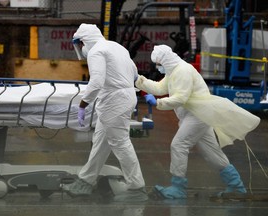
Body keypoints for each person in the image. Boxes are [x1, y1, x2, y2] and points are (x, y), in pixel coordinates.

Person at [135, 44, 260, 199]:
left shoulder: (183, 70)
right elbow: (161, 88)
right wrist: (139, 80)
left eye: (159, 64)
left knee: (179, 145)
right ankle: (236, 187)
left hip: (197, 116)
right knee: (212, 152)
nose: (158, 67)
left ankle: (178, 187)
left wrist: (158, 103)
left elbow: (181, 98)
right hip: (198, 115)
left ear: (166, 61)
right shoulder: (173, 71)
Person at [62, 23, 148, 201]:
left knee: (120, 143)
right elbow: (133, 73)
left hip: (114, 101)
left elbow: (96, 82)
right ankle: (86, 181)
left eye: (80, 44)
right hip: (123, 97)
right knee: (100, 142)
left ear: (85, 40)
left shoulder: (96, 52)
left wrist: (83, 104)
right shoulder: (117, 47)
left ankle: (137, 188)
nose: (81, 49)